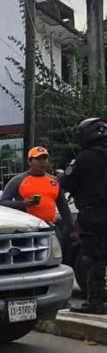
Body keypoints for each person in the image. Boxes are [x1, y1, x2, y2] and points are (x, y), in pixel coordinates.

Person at [62, 118, 107, 314]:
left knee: (92, 257)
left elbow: (68, 183)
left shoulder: (84, 157)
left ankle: (95, 302)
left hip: (93, 213)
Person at [0, 146, 71, 226]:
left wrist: (72, 229)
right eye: (38, 159)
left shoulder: (54, 181)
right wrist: (23, 204)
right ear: (29, 162)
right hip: (28, 228)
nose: (42, 162)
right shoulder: (18, 180)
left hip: (50, 227)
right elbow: (2, 203)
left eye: (44, 159)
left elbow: (63, 207)